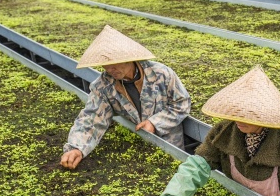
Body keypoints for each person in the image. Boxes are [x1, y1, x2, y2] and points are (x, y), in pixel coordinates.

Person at [147, 66, 280, 196]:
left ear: (264, 115)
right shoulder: (224, 132)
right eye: (236, 113)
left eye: (248, 115)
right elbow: (196, 167)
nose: (239, 120)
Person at [60, 25, 191, 169]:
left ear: (129, 57)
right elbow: (92, 117)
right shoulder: (104, 86)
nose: (109, 69)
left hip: (171, 147)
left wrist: (154, 123)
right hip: (139, 150)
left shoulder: (161, 74)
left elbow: (181, 103)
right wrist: (76, 147)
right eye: (105, 64)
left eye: (113, 63)